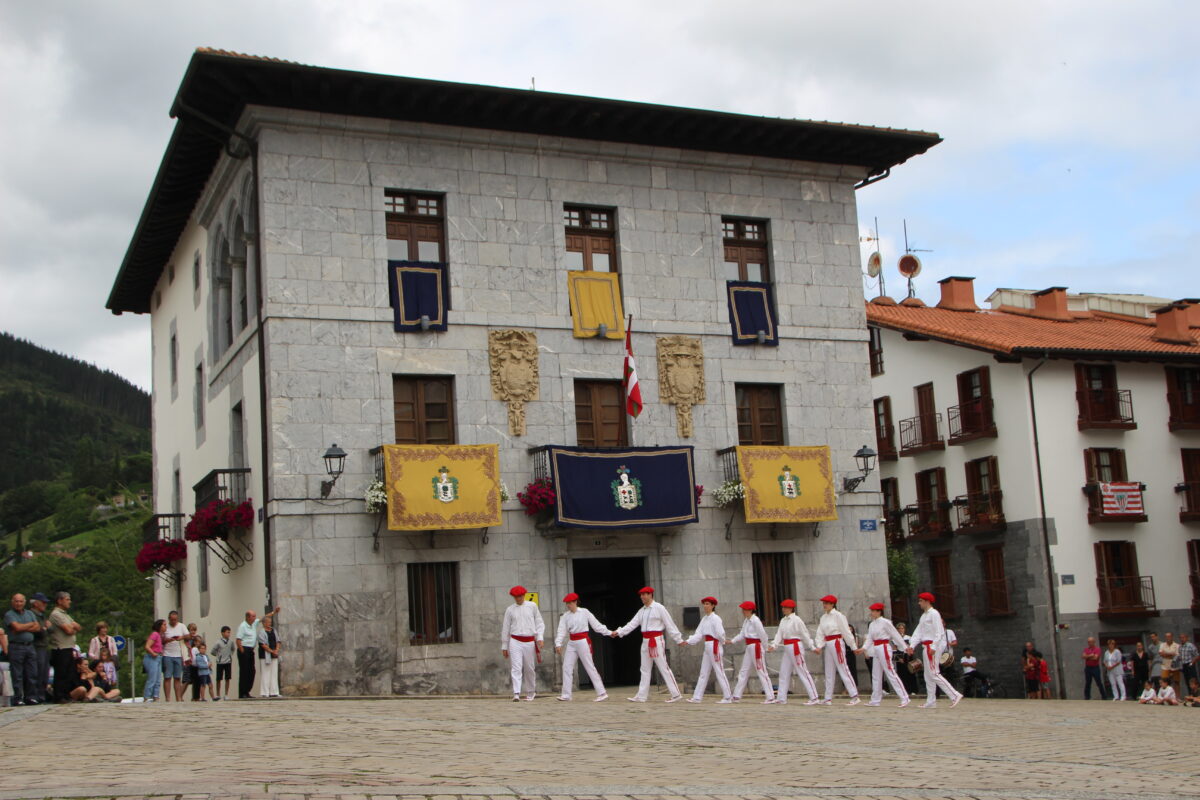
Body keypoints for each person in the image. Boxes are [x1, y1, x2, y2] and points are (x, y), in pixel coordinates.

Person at [612, 586, 684, 703]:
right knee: (644, 669)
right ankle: (642, 695)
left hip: (656, 640)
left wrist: (678, 639)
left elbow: (669, 624)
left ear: (650, 595)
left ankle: (676, 694)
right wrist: (619, 632)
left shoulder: (659, 608)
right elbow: (632, 624)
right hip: (645, 641)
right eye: (641, 595)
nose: (642, 597)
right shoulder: (642, 611)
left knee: (663, 667)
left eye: (644, 594)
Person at [907, 591, 963, 708]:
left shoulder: (934, 614)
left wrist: (933, 646)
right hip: (926, 646)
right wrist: (912, 645)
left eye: (921, 601)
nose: (919, 603)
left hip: (932, 646)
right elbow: (918, 632)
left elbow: (940, 632)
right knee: (928, 675)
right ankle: (931, 701)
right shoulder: (923, 616)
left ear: (927, 601)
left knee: (934, 673)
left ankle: (954, 695)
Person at [553, 592, 611, 702]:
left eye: (569, 603)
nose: (568, 605)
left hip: (583, 641)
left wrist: (608, 632)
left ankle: (602, 692)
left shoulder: (585, 612)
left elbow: (596, 626)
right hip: (572, 641)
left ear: (575, 602)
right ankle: (566, 694)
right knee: (566, 667)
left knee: (589, 666)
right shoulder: (565, 616)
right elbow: (561, 630)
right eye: (567, 604)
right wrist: (558, 643)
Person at [859, 601, 910, 708]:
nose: (871, 613)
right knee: (876, 674)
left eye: (873, 611)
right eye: (871, 611)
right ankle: (875, 699)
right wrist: (863, 648)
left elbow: (895, 634)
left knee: (890, 672)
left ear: (879, 612)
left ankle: (904, 697)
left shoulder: (885, 622)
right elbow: (870, 638)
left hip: (884, 647)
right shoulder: (872, 624)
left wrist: (905, 647)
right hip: (876, 648)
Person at [769, 598, 818, 705]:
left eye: (786, 607)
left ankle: (814, 697)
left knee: (802, 671)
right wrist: (774, 645)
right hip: (787, 647)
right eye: (783, 607)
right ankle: (781, 697)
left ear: (791, 608)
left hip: (795, 646)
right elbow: (779, 634)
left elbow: (805, 634)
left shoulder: (797, 620)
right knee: (784, 672)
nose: (784, 609)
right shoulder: (783, 620)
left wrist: (812, 647)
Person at [812, 594, 860, 705]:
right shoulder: (823, 617)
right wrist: (819, 645)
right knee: (829, 670)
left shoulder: (838, 616)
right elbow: (820, 632)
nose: (825, 605)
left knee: (843, 668)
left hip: (837, 642)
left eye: (827, 603)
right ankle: (828, 697)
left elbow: (846, 632)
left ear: (832, 604)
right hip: (828, 643)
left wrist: (853, 646)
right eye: (824, 603)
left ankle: (854, 695)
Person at [684, 596, 732, 704]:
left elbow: (720, 633)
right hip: (707, 645)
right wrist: (688, 641)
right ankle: (697, 697)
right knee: (703, 672)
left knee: (719, 671)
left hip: (715, 645)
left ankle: (728, 696)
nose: (705, 606)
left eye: (707, 604)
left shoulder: (716, 618)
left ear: (713, 606)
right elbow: (698, 634)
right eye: (704, 604)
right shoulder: (704, 619)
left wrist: (723, 641)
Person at [501, 586, 545, 702]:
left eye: (520, 596)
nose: (518, 599)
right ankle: (516, 693)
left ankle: (531, 691)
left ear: (524, 595)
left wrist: (540, 637)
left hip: (529, 640)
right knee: (516, 667)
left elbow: (539, 622)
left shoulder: (532, 606)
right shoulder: (510, 609)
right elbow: (505, 628)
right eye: (516, 597)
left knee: (529, 667)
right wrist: (504, 645)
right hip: (515, 640)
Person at [728, 601, 775, 703]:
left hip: (756, 646)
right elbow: (742, 634)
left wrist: (766, 647)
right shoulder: (746, 621)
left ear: (750, 610)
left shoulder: (755, 620)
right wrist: (732, 641)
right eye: (743, 609)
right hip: (749, 647)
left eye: (745, 609)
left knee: (761, 670)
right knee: (744, 670)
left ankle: (770, 696)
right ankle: (737, 695)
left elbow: (763, 635)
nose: (743, 611)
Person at [4, 593, 41, 706]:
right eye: (16, 601)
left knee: (32, 672)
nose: (18, 603)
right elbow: (16, 627)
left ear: (24, 602)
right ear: (12, 602)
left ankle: (31, 697)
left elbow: (38, 627)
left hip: (29, 646)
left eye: (20, 601)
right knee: (17, 674)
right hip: (16, 646)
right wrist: (30, 625)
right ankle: (18, 698)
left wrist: (23, 627)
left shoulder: (29, 613)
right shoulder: (9, 614)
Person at [236, 607, 279, 699]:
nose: (255, 618)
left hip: (251, 650)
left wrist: (274, 612)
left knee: (252, 671)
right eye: (253, 616)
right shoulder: (243, 626)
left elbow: (264, 617)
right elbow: (238, 640)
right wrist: (242, 651)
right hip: (244, 649)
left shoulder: (254, 623)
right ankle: (242, 692)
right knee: (244, 671)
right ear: (248, 617)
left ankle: (247, 691)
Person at [48, 591, 82, 703]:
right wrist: (72, 628)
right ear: (60, 600)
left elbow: (79, 627)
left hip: (69, 647)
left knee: (69, 673)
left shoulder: (65, 614)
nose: (69, 602)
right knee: (61, 673)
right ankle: (59, 695)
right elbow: (68, 630)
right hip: (60, 647)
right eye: (67, 599)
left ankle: (66, 694)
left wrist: (73, 627)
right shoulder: (56, 614)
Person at [161, 610, 188, 702]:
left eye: (175, 620)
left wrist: (182, 637)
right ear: (169, 619)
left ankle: (178, 698)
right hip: (167, 654)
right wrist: (167, 640)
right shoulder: (165, 627)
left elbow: (189, 636)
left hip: (178, 655)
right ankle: (168, 698)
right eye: (172, 620)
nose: (173, 622)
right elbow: (161, 639)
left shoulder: (182, 626)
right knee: (167, 677)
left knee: (177, 677)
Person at [29, 593, 50, 702]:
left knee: (44, 672)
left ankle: (42, 694)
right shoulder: (32, 615)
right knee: (37, 671)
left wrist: (45, 628)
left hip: (44, 646)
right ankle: (36, 695)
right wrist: (45, 628)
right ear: (36, 603)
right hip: (37, 646)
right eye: (43, 602)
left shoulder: (42, 615)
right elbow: (37, 631)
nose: (45, 604)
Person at [257, 614, 282, 698]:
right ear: (263, 623)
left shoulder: (274, 630)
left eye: (270, 622)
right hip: (265, 655)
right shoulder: (261, 632)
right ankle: (265, 692)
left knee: (274, 673)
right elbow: (263, 644)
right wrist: (271, 651)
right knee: (265, 673)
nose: (269, 623)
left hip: (274, 654)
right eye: (267, 622)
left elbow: (278, 641)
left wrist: (276, 650)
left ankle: (274, 691)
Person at [143, 619, 165, 702]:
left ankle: (156, 696)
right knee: (152, 678)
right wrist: (153, 653)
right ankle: (147, 696)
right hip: (152, 658)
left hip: (159, 658)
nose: (165, 627)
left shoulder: (160, 635)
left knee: (158, 679)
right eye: (164, 625)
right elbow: (147, 646)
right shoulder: (155, 634)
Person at [210, 626, 234, 700]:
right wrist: (218, 656)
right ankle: (218, 694)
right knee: (219, 679)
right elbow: (213, 651)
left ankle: (226, 694)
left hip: (228, 662)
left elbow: (233, 649)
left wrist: (229, 656)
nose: (229, 634)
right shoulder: (218, 642)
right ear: (222, 633)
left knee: (227, 678)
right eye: (227, 632)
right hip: (220, 663)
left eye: (229, 632)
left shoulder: (231, 642)